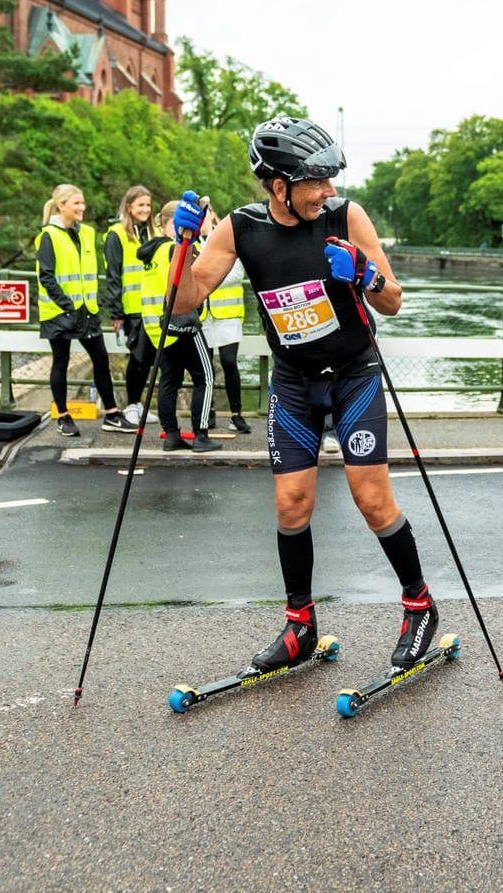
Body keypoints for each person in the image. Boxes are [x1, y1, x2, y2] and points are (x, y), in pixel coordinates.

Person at [170, 116, 438, 674]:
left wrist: (364, 273)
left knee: (372, 499)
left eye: (330, 179)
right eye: (316, 181)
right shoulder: (242, 229)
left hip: (353, 374)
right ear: (278, 185)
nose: (328, 190)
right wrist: (183, 247)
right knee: (292, 504)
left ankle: (419, 604)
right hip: (293, 383)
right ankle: (300, 624)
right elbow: (183, 305)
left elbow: (394, 302)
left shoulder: (345, 217)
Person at [34, 183, 128, 437]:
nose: (82, 207)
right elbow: (46, 276)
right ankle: (63, 416)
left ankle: (111, 413)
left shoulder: (87, 233)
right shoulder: (48, 236)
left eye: (83, 203)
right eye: (76, 203)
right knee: (61, 362)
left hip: (87, 310)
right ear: (61, 205)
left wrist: (91, 304)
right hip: (60, 312)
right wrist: (67, 306)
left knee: (100, 359)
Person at [137, 201, 223, 453]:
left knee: (169, 381)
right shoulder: (180, 249)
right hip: (184, 323)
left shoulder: (151, 253)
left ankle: (171, 435)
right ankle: (201, 434)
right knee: (205, 378)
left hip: (158, 329)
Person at [102, 185, 159, 427]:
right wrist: (116, 312)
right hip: (131, 308)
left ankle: (139, 404)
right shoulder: (117, 235)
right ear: (129, 207)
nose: (145, 209)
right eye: (140, 205)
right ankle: (132, 404)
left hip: (152, 307)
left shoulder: (152, 232)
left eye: (148, 205)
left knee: (148, 358)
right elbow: (113, 275)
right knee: (136, 358)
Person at [199, 209, 254, 434]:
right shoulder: (191, 244)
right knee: (205, 367)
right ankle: (208, 411)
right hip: (204, 316)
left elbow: (235, 275)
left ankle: (236, 414)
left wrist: (205, 277)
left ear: (213, 219)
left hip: (228, 315)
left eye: (207, 217)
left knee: (229, 362)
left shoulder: (226, 240)